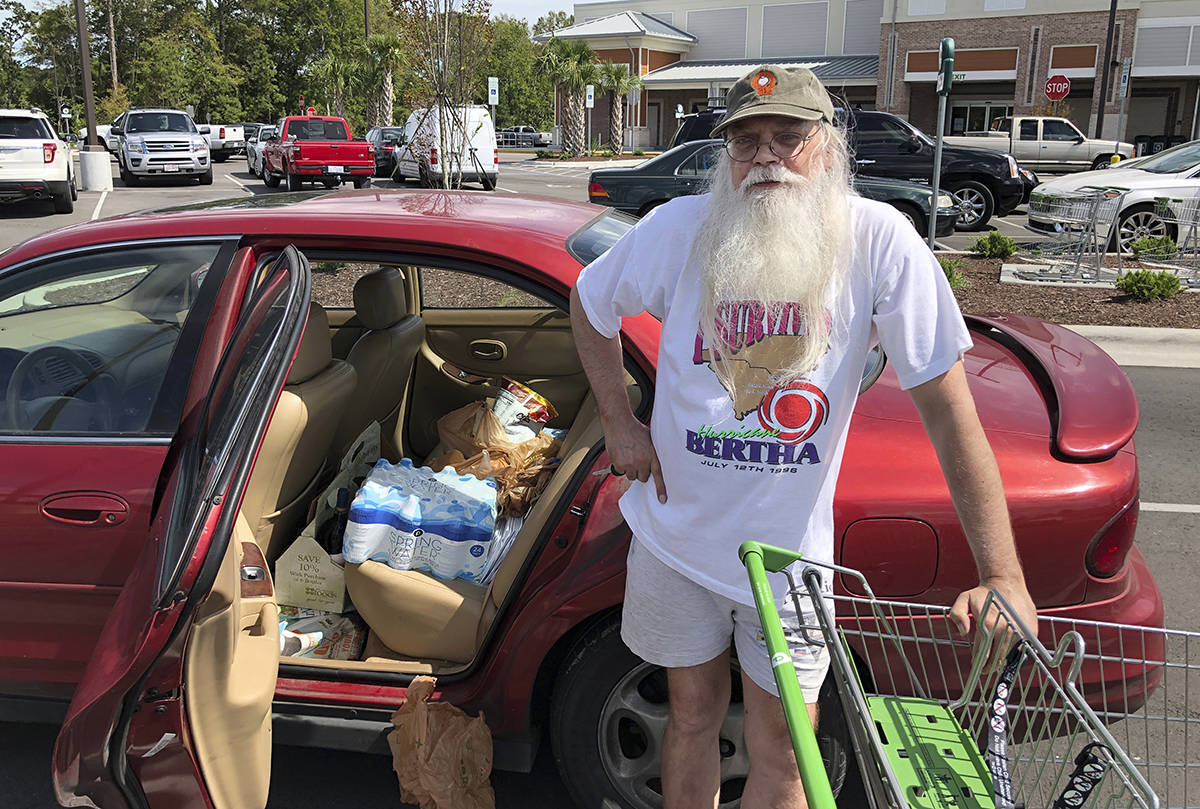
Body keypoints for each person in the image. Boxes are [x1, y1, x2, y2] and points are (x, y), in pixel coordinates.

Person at [569, 64, 1038, 809]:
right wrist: (621, 421)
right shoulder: (679, 229)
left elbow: (951, 414)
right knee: (689, 715)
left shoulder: (877, 241)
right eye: (746, 140)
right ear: (725, 154)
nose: (765, 157)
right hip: (674, 540)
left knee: (785, 745)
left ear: (827, 147)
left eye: (789, 136)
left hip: (789, 561)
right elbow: (589, 303)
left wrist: (1002, 573)